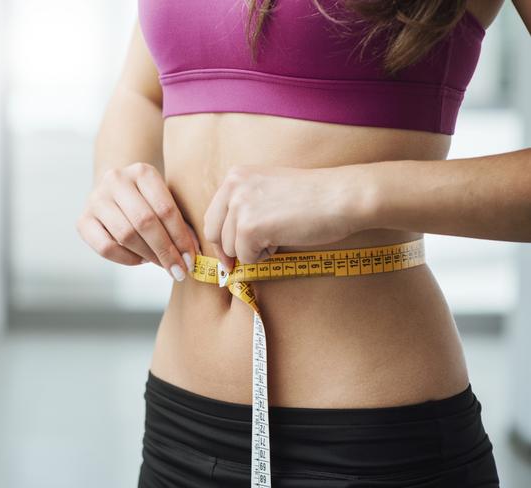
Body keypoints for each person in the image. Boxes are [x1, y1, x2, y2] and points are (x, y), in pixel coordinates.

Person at [76, 0, 530, 486]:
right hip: (177, 423)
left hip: (368, 442)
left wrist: (348, 194)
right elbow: (142, 92)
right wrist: (115, 179)